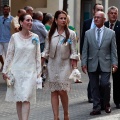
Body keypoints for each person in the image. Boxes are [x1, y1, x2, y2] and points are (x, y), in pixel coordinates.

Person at [2, 14, 41, 120]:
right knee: (19, 99)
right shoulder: (14, 37)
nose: (30, 22)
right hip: (17, 72)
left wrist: (39, 72)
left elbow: (37, 55)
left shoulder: (35, 37)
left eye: (31, 20)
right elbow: (9, 54)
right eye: (28, 20)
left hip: (30, 72)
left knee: (26, 98)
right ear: (21, 23)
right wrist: (4, 71)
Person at [41, 10, 79, 120]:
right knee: (54, 91)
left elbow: (74, 52)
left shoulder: (71, 33)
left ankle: (66, 114)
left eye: (64, 18)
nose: (63, 20)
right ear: (56, 20)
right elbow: (46, 50)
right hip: (52, 65)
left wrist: (75, 66)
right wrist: (40, 63)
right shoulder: (50, 33)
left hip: (65, 65)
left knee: (62, 91)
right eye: (61, 18)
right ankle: (55, 117)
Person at [81, 11, 118, 115]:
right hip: (92, 62)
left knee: (105, 84)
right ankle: (96, 107)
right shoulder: (88, 33)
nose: (96, 19)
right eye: (95, 17)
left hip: (106, 62)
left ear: (103, 20)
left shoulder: (111, 33)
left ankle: (106, 103)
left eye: (98, 17)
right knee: (94, 86)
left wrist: (115, 63)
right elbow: (85, 49)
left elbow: (113, 50)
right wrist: (83, 63)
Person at [80, 3, 104, 103]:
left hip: (102, 54)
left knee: (101, 77)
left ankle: (99, 96)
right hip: (90, 54)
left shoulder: (104, 23)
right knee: (92, 75)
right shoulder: (87, 23)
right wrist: (82, 54)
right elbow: (83, 39)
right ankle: (91, 95)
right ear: (93, 11)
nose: (100, 11)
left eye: (102, 9)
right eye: (98, 9)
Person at [104, 6, 120, 109]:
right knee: (104, 81)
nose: (113, 15)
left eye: (115, 13)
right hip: (104, 57)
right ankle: (104, 101)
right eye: (111, 13)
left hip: (117, 58)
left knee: (117, 80)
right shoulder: (103, 26)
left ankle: (117, 101)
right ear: (108, 14)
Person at [0, 5, 13, 72]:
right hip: (0, 39)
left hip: (8, 40)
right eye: (4, 9)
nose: (5, 10)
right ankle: (3, 64)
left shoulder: (12, 19)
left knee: (8, 55)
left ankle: (7, 68)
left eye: (7, 9)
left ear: (9, 10)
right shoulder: (0, 18)